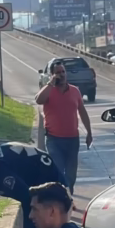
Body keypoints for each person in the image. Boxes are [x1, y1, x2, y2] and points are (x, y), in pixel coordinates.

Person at [34, 61, 92, 194]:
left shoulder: (74, 91)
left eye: (63, 72)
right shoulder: (49, 90)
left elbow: (82, 112)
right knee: (58, 171)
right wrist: (50, 83)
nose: (62, 75)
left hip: (72, 139)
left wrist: (89, 132)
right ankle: (61, 200)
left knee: (71, 175)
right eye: (58, 72)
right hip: (54, 139)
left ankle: (68, 196)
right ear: (52, 75)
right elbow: (38, 100)